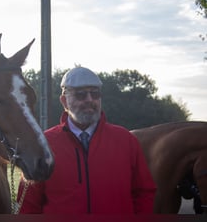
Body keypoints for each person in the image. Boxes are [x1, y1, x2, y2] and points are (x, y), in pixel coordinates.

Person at [17, 66, 156, 214]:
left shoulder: (126, 141)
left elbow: (144, 192)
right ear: (64, 101)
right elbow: (28, 204)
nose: (90, 100)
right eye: (81, 95)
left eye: (95, 94)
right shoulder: (43, 145)